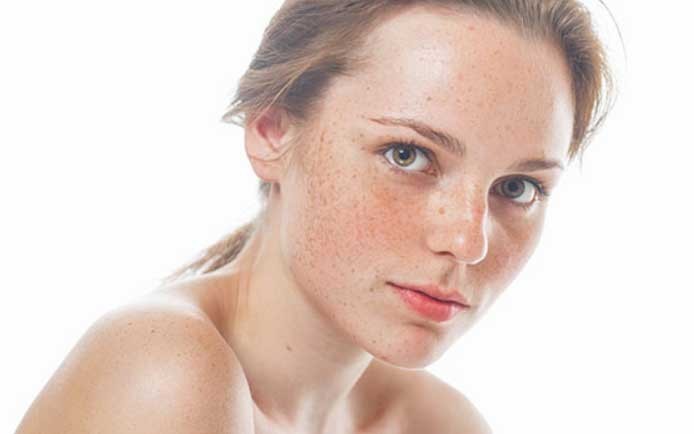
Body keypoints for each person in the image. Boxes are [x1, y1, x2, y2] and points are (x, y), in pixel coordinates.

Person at [16, 0, 614, 433]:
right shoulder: (167, 374)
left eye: (517, 187)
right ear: (272, 130)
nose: (466, 240)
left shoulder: (436, 423)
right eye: (408, 155)